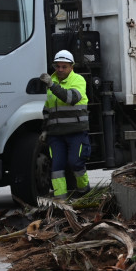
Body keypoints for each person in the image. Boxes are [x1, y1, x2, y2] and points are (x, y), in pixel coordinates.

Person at [40, 50, 91, 200]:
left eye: (64, 66)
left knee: (76, 163)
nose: (60, 70)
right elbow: (47, 109)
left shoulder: (78, 80)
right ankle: (60, 201)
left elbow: (71, 98)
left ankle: (84, 192)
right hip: (56, 134)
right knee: (56, 168)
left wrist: (51, 85)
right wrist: (44, 130)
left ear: (71, 67)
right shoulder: (51, 82)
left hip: (76, 131)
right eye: (58, 66)